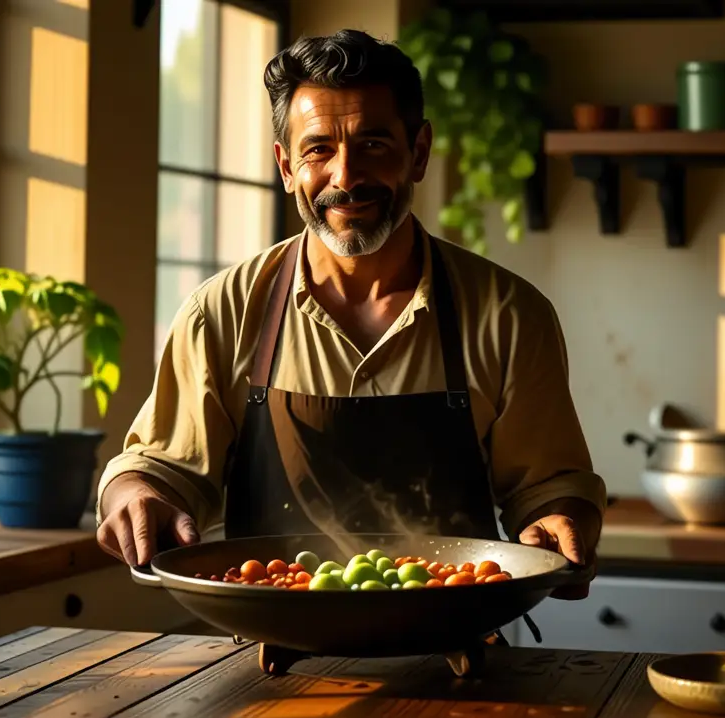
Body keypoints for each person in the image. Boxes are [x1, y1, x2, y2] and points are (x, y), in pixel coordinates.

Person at [95, 29, 606, 600]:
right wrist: (134, 493)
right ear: (286, 167)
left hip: (459, 648)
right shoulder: (222, 312)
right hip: (262, 640)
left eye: (374, 145)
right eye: (319, 149)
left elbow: (548, 485)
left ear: (418, 154)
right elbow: (164, 467)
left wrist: (561, 516)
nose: (346, 177)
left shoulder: (509, 315)